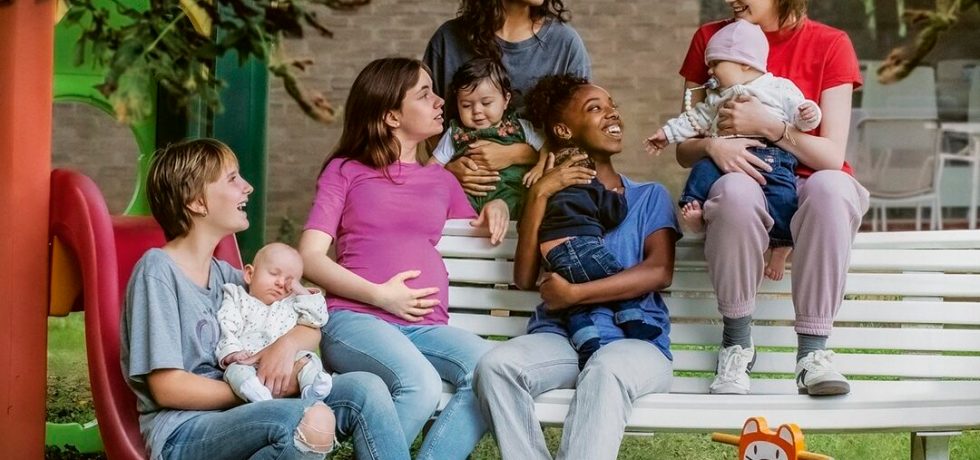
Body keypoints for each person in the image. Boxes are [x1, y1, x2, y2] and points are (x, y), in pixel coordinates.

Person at [121, 138, 409, 460]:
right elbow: (167, 388)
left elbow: (308, 325)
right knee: (309, 420)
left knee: (367, 389)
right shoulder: (158, 271)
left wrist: (285, 347)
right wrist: (259, 387)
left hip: (245, 412)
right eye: (232, 179)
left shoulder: (227, 276)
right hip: (184, 430)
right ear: (197, 202)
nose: (248, 187)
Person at [298, 58, 497, 460]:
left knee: (491, 372)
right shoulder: (345, 171)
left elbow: (476, 228)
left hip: (426, 328)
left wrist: (498, 207)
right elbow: (310, 257)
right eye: (424, 94)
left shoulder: (443, 180)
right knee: (420, 384)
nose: (440, 101)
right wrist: (381, 296)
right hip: (357, 320)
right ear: (391, 116)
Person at [474, 74, 681, 460]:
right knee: (496, 367)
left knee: (605, 368)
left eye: (612, 105)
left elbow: (659, 271)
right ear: (563, 130)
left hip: (634, 344)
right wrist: (540, 192)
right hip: (563, 338)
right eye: (595, 108)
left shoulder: (648, 196)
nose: (612, 113)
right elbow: (523, 278)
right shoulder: (550, 199)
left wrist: (575, 294)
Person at [675, 0, 867, 396]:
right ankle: (736, 345)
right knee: (733, 191)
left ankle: (813, 354)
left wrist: (770, 127)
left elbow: (831, 156)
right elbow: (684, 148)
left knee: (833, 188)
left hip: (809, 188)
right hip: (744, 177)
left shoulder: (831, 44)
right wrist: (712, 145)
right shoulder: (711, 39)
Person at [647, 19, 822, 281]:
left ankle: (780, 246)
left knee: (783, 196)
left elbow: (798, 117)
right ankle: (697, 211)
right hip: (723, 157)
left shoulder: (779, 88)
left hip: (770, 155)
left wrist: (809, 114)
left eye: (716, 63)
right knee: (702, 170)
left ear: (744, 63)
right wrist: (667, 134)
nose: (710, 72)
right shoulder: (717, 97)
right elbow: (694, 119)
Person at [424, 0, 591, 200]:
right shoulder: (448, 39)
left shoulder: (565, 44)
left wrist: (516, 154)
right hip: (458, 201)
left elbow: (580, 141)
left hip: (541, 202)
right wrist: (448, 170)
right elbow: (424, 125)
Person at [538, 146, 664, 370]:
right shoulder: (591, 186)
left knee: (573, 308)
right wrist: (616, 198)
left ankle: (587, 343)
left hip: (552, 254)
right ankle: (633, 322)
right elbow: (613, 214)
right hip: (578, 244)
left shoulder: (550, 195)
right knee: (615, 275)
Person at [429, 57, 546, 220]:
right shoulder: (454, 133)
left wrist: (540, 166)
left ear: (506, 100)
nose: (476, 111)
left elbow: (548, 147)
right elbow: (431, 168)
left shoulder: (521, 127)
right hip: (467, 196)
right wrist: (448, 174)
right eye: (466, 105)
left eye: (486, 103)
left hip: (511, 195)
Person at [216, 242, 333, 403]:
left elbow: (318, 319)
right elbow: (226, 325)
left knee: (309, 359)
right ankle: (257, 394)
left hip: (287, 363)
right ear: (250, 274)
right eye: (274, 274)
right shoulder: (237, 297)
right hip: (249, 360)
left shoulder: (293, 303)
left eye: (289, 281)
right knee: (235, 370)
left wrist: (301, 291)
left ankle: (311, 390)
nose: (281, 283)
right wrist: (233, 353)